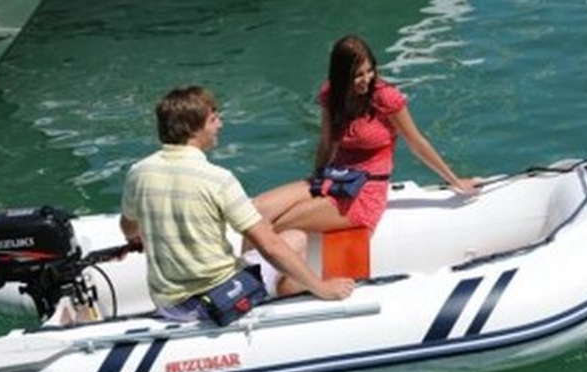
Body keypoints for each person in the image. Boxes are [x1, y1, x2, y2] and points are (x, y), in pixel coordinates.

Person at [120, 85, 354, 323]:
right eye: (213, 119)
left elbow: (128, 226)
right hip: (219, 301)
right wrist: (322, 287)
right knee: (296, 238)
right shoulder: (217, 179)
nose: (220, 124)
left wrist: (137, 239)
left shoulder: (139, 173)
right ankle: (289, 300)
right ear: (193, 128)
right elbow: (270, 246)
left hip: (168, 305)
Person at [252, 35, 480, 235]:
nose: (367, 79)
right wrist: (315, 182)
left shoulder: (385, 98)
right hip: (335, 178)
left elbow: (417, 143)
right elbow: (326, 144)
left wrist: (455, 181)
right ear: (341, 76)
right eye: (358, 75)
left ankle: (254, 268)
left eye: (370, 71)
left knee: (278, 224)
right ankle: (246, 266)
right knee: (259, 209)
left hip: (365, 191)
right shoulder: (331, 95)